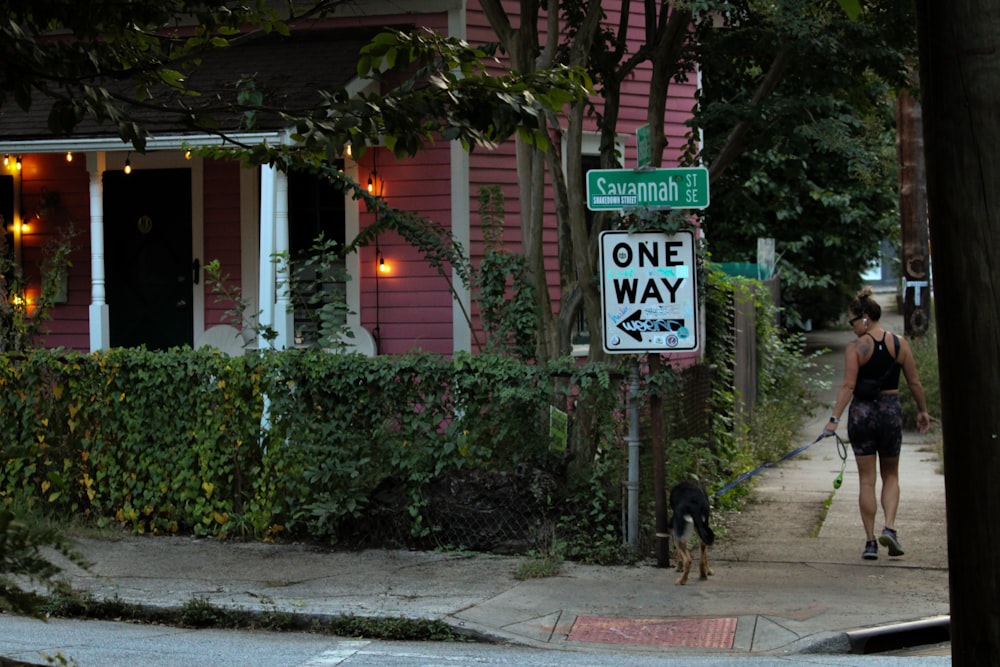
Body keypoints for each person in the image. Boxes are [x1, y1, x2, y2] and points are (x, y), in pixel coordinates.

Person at [823, 287, 931, 561]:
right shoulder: (900, 344)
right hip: (889, 412)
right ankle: (890, 529)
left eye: (852, 322)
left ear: (865, 318)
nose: (851, 328)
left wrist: (834, 420)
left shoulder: (857, 348)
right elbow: (914, 382)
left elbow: (848, 386)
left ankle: (870, 542)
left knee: (867, 480)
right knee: (891, 475)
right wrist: (923, 411)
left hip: (862, 414)